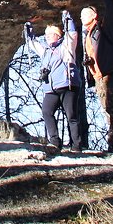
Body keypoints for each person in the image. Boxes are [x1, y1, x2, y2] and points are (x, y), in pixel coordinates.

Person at [24, 10, 83, 155]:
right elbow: (31, 42)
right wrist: (29, 24)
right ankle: (55, 142)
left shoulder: (65, 47)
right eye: (47, 35)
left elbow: (72, 35)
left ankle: (76, 145)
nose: (49, 37)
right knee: (47, 112)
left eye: (52, 34)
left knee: (71, 115)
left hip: (67, 84)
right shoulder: (45, 51)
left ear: (59, 35)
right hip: (51, 88)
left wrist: (66, 17)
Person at [82, 0, 113, 154]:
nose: (81, 17)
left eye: (84, 14)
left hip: (110, 72)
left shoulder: (102, 28)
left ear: (94, 16)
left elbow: (112, 11)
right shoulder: (88, 35)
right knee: (107, 109)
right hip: (99, 76)